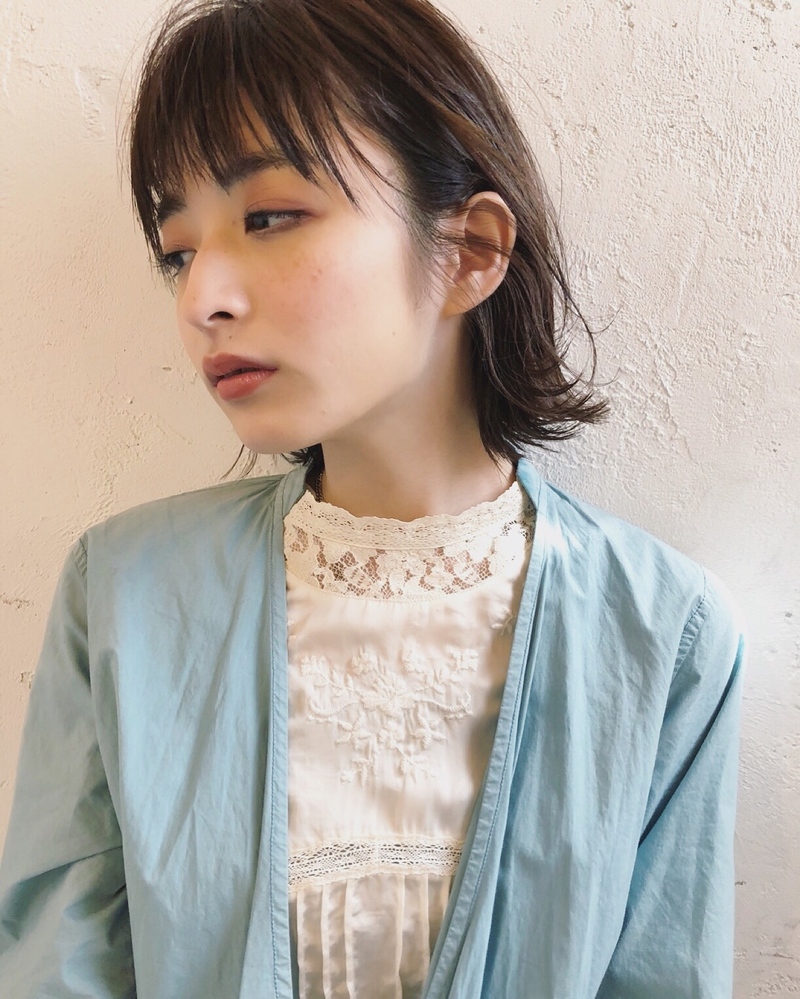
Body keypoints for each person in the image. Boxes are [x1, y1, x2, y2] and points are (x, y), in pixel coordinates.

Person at [0, 0, 744, 996]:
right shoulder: (124, 594)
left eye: (268, 217)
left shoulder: (662, 635)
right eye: (179, 250)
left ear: (469, 250)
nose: (202, 299)